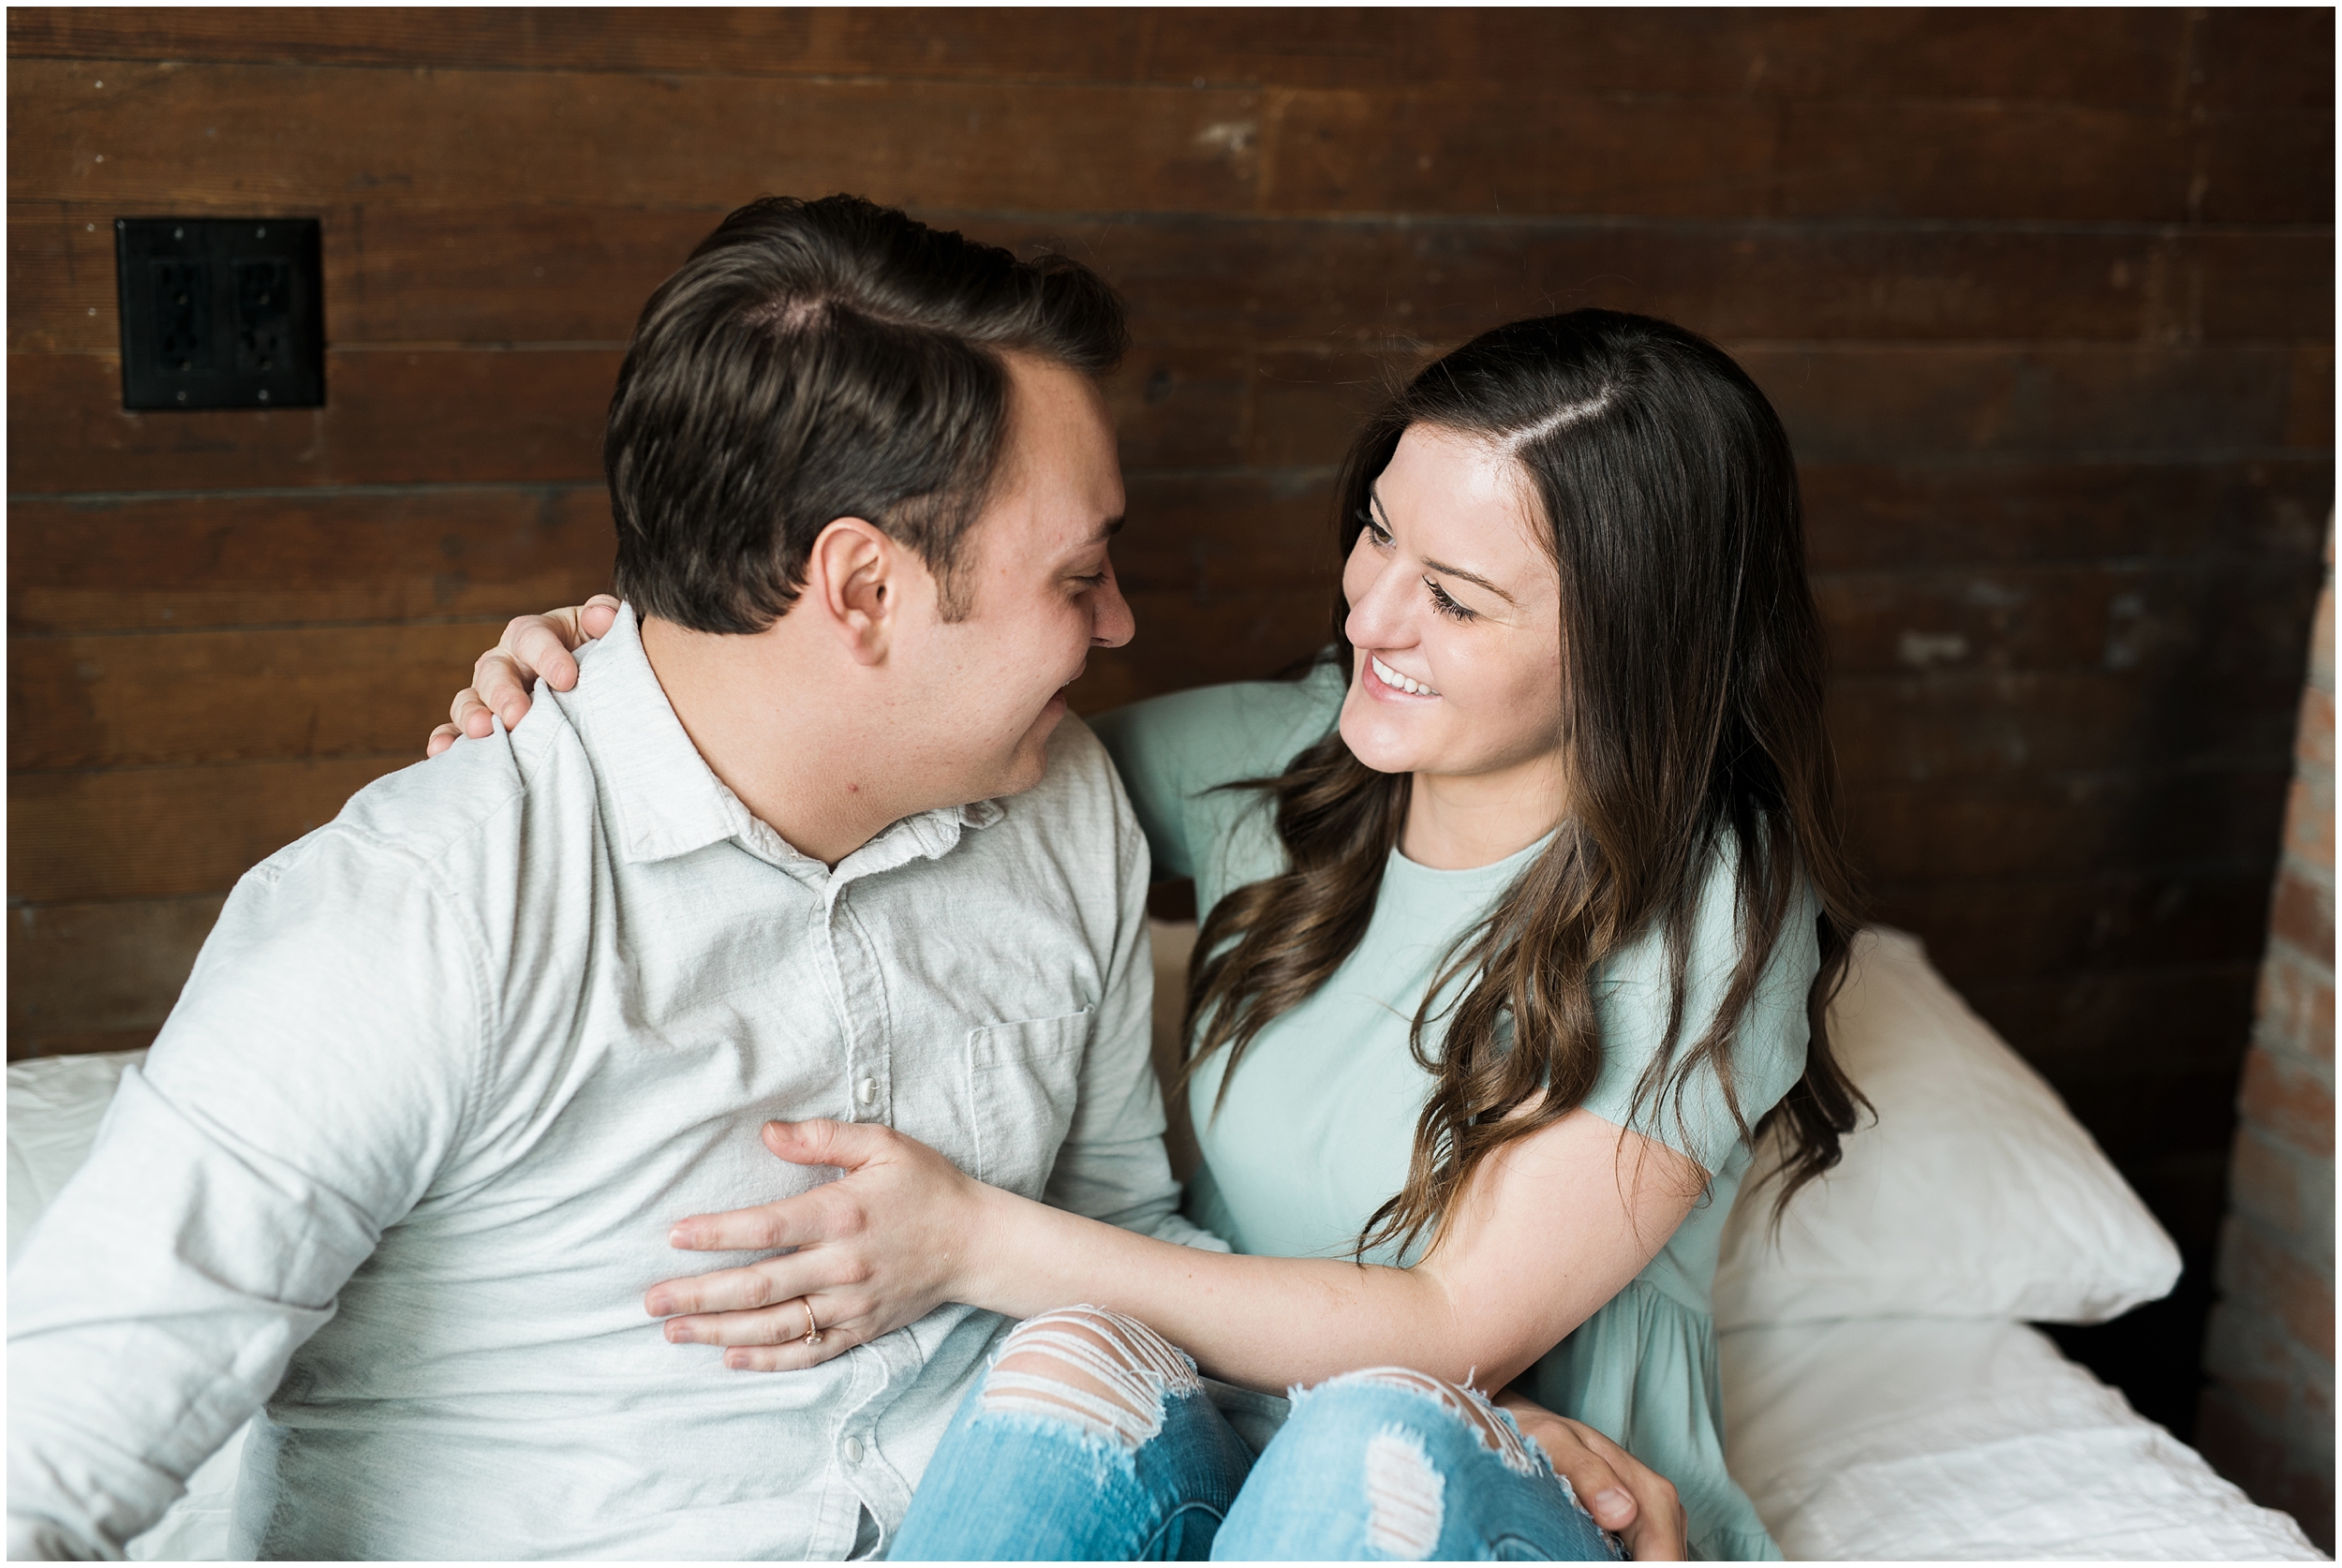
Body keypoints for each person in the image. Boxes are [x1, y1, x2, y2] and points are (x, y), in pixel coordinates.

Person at [440, 308, 1864, 1560]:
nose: (1371, 610)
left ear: (1638, 643)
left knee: (1366, 1421)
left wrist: (968, 1238)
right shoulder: (1294, 755)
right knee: (1075, 1362)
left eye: (1457, 594)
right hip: (1244, 1461)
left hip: (1528, 1489)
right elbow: (894, 747)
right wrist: (622, 690)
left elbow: (1448, 1326)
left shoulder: (1713, 899)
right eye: (1378, 529)